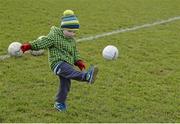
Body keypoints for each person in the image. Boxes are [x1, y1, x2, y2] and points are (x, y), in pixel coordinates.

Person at [20, 10, 99, 111]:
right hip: (57, 63)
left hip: (67, 64)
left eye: (74, 32)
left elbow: (74, 52)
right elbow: (42, 42)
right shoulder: (54, 36)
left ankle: (59, 103)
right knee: (71, 72)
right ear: (63, 28)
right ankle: (87, 76)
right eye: (69, 31)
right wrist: (29, 46)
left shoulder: (72, 40)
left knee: (65, 85)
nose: (72, 34)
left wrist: (78, 61)